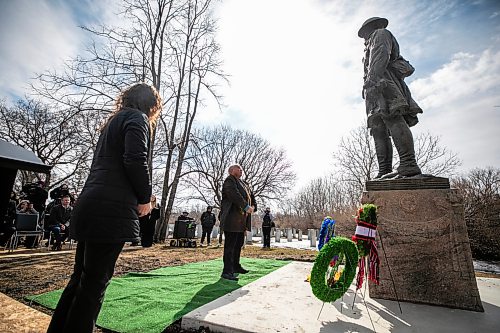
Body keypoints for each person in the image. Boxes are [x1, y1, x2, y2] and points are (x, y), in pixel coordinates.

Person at [46, 83, 161, 333]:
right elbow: (135, 159)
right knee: (94, 285)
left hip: (91, 202)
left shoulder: (113, 122)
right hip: (111, 210)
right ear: (150, 104)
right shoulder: (137, 118)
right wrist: (145, 198)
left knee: (80, 280)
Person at [359, 17, 422, 179]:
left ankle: (409, 164)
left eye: (364, 32)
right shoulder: (369, 44)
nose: (364, 37)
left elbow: (381, 55)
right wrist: (368, 86)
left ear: (372, 27)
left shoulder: (380, 34)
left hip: (383, 83)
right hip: (373, 87)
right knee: (378, 128)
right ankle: (384, 170)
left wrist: (372, 80)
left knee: (393, 117)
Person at [219, 164, 256, 281]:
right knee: (230, 246)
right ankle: (227, 271)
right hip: (231, 219)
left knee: (238, 244)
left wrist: (253, 206)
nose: (241, 170)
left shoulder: (244, 184)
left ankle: (235, 266)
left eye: (241, 169)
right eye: (238, 168)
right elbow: (234, 195)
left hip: (241, 221)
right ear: (231, 170)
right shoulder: (229, 180)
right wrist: (246, 206)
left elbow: (251, 196)